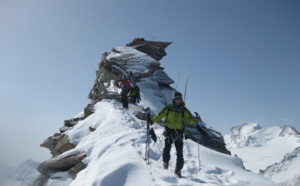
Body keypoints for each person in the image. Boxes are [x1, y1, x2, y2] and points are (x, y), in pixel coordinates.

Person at [148, 91, 200, 178]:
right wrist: (152, 121)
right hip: (169, 131)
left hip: (179, 133)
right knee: (167, 147)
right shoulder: (168, 108)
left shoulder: (184, 110)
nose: (178, 101)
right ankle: (165, 162)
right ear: (173, 99)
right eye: (176, 99)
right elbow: (160, 115)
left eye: (179, 99)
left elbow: (189, 119)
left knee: (180, 152)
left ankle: (178, 170)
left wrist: (195, 120)